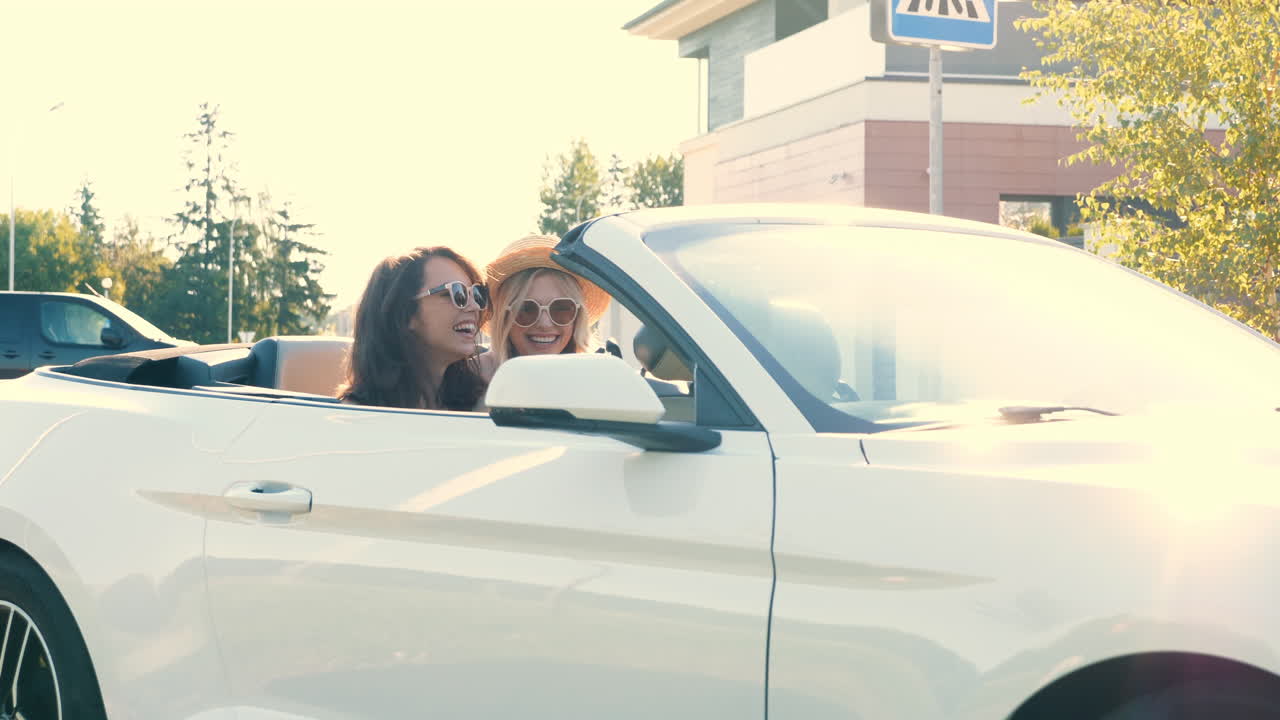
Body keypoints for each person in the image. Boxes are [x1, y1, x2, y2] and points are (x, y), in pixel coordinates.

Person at [338, 246, 489, 410]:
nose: (475, 306)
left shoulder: (482, 407)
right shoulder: (355, 415)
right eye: (456, 292)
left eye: (476, 294)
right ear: (404, 312)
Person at [478, 234, 611, 382]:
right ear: (503, 316)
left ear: (578, 317)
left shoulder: (597, 379)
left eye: (561, 309)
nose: (545, 324)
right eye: (527, 309)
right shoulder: (470, 377)